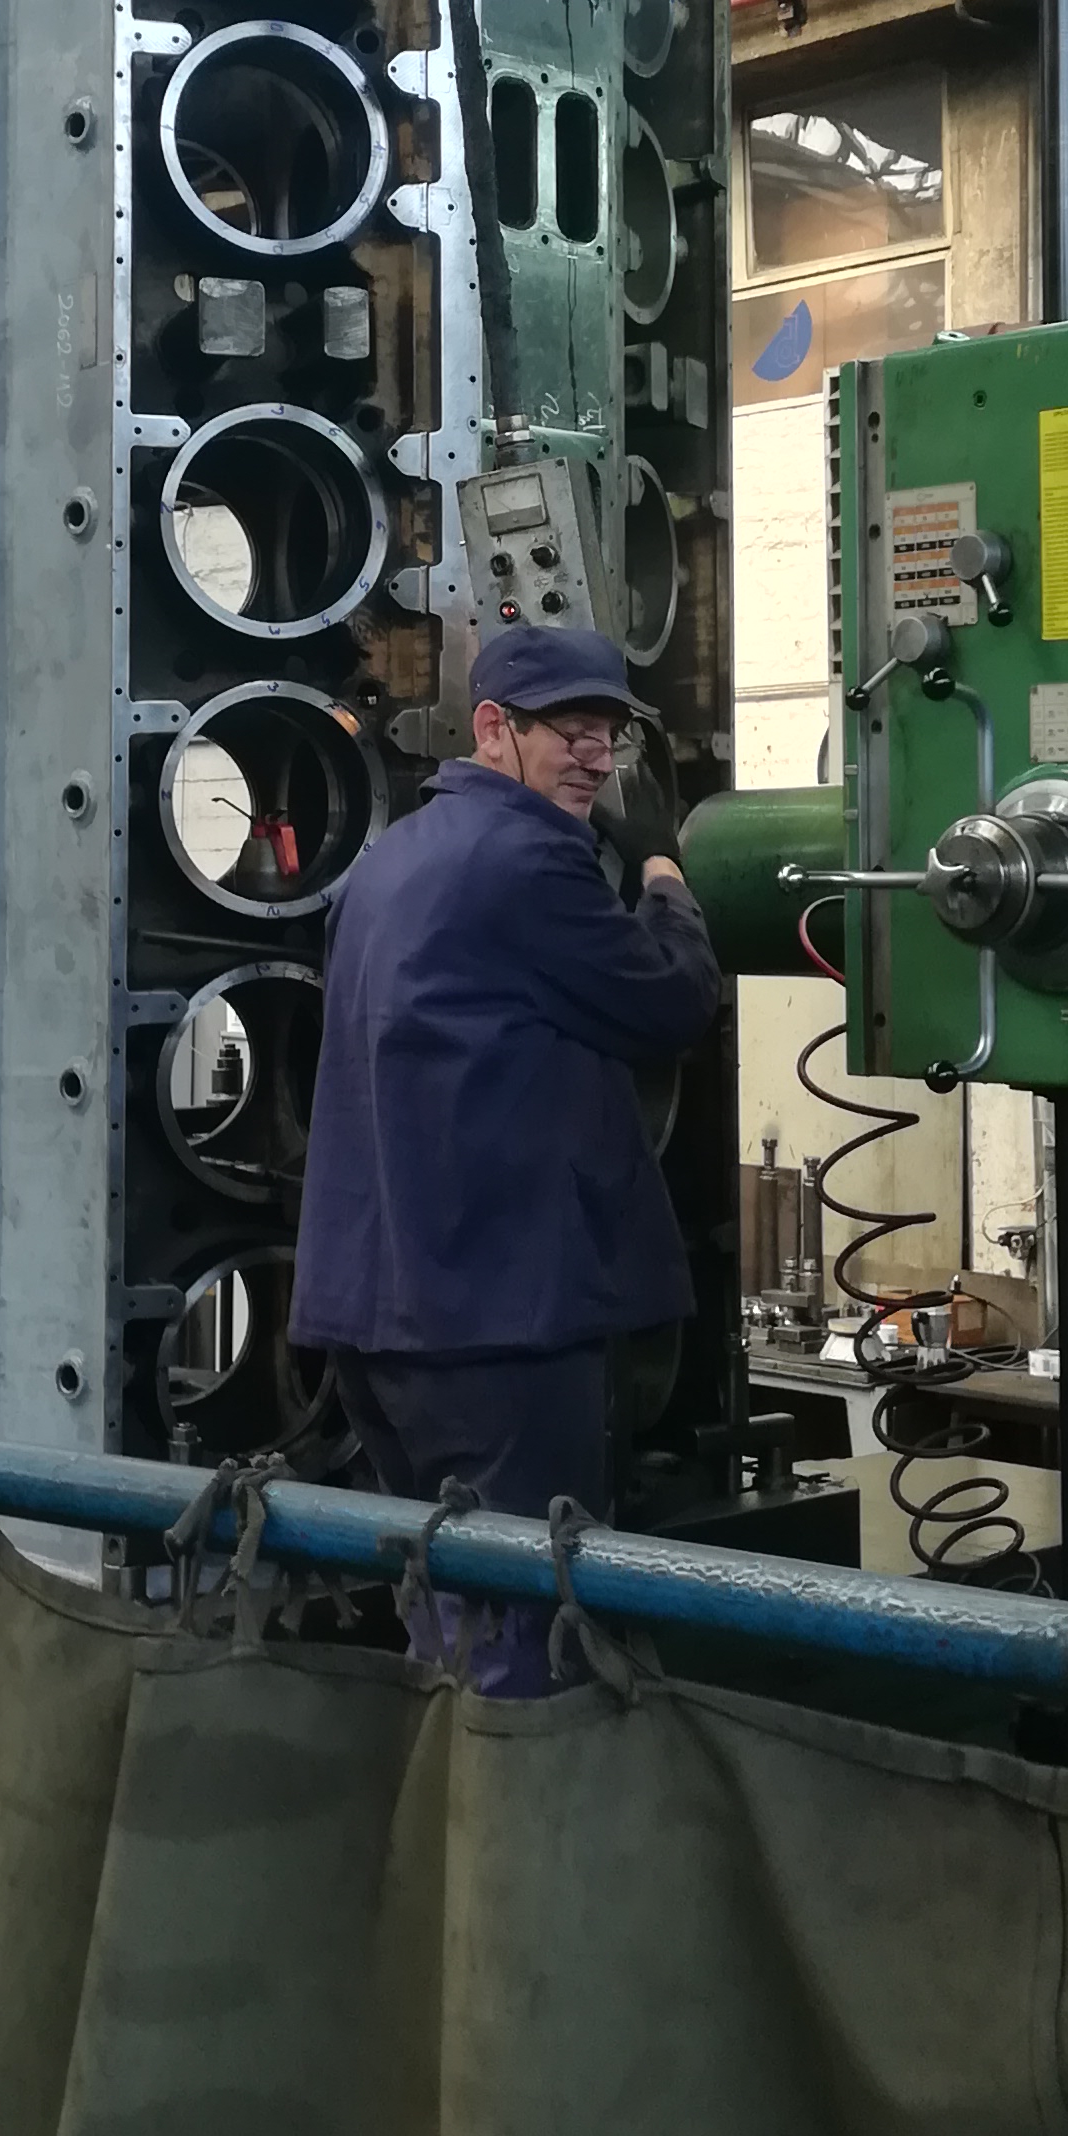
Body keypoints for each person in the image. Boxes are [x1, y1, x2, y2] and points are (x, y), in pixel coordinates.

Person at [290, 621, 722, 1694]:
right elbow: (673, 1001)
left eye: (609, 733)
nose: (595, 756)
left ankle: (443, 1799)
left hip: (378, 1321)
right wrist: (664, 872)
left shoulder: (388, 863)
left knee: (445, 1610)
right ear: (492, 728)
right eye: (570, 729)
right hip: (497, 1328)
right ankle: (513, 1804)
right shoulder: (528, 859)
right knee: (526, 1633)